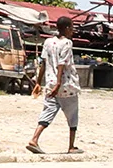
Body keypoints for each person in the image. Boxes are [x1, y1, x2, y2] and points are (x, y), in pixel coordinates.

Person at [26, 21, 80, 154]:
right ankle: (71, 146)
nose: (72, 31)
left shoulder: (48, 42)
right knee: (72, 115)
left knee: (48, 111)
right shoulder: (67, 43)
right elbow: (62, 63)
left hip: (50, 83)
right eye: (71, 28)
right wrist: (59, 83)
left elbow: (43, 62)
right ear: (66, 28)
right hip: (66, 85)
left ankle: (34, 139)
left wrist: (39, 82)